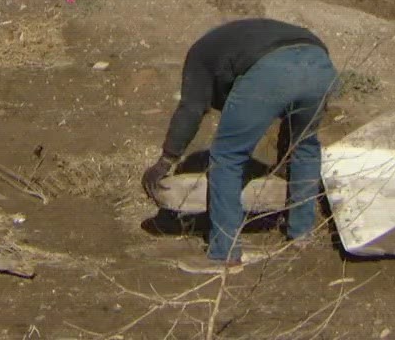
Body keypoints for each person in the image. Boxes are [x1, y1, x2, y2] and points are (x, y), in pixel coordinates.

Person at [142, 18, 338, 273]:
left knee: (226, 156)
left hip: (273, 68)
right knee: (305, 146)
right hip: (319, 64)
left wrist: (166, 160)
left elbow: (191, 109)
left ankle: (224, 253)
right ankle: (301, 233)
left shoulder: (200, 55)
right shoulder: (237, 42)